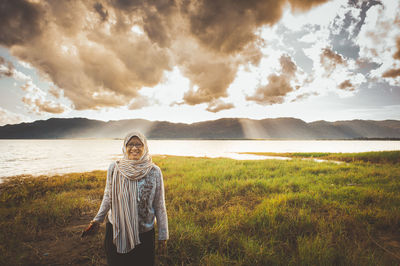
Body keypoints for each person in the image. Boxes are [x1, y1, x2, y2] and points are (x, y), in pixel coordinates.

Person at [82, 132, 168, 266]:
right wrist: (97, 220)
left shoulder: (154, 171)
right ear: (124, 147)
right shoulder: (114, 168)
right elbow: (108, 196)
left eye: (138, 144)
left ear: (145, 147)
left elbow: (159, 205)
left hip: (144, 233)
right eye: (130, 144)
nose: (134, 148)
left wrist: (163, 236)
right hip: (117, 229)